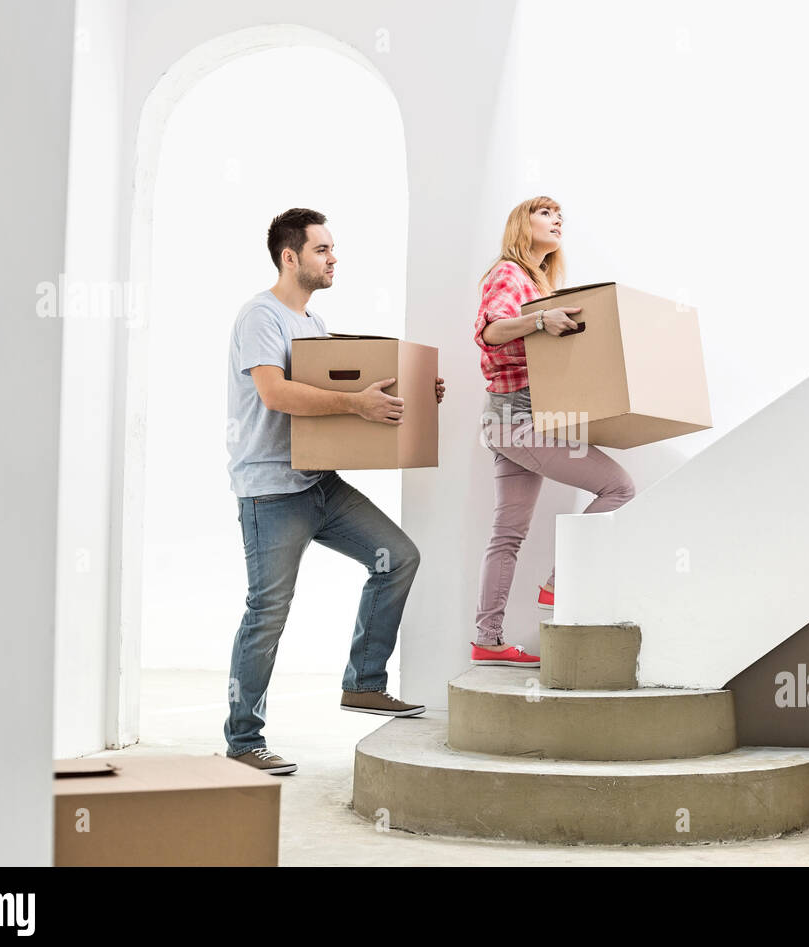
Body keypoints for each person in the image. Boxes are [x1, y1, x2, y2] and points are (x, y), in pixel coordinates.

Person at [224, 207, 445, 775]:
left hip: (319, 482)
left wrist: (415, 391)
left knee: (397, 557)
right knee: (267, 612)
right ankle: (244, 741)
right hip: (271, 490)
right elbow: (275, 394)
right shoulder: (261, 317)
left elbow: (339, 396)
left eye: (332, 249)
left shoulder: (315, 324)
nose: (333, 258)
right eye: (321, 249)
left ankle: (364, 683)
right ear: (289, 257)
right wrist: (356, 403)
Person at [471, 196, 636, 666]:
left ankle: (487, 640)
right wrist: (541, 320)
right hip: (516, 419)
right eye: (544, 213)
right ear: (521, 224)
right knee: (619, 488)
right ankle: (558, 585)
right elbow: (490, 332)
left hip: (513, 419)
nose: (556, 219)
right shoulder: (510, 273)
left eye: (559, 214)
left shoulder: (540, 282)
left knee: (507, 535)